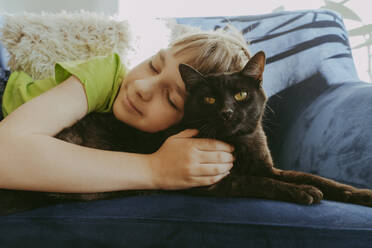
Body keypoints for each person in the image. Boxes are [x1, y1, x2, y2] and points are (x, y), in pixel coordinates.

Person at [0, 26, 250, 193]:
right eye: (153, 65)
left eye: (172, 99)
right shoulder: (107, 74)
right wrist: (155, 169)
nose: (142, 86)